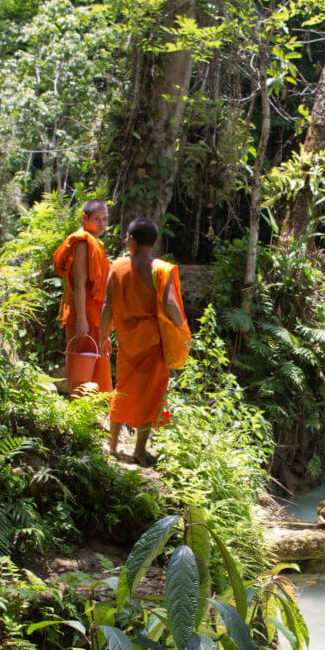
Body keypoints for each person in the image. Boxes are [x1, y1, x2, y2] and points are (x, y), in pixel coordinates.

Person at [100, 217, 187, 466]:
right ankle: (139, 450)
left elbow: (107, 306)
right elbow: (170, 303)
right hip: (153, 343)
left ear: (131, 240)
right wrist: (182, 329)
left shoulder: (116, 267)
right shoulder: (161, 269)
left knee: (122, 389)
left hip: (127, 342)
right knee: (151, 395)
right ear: (154, 241)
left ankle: (114, 445)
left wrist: (104, 336)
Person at [53, 198, 113, 397]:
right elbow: (79, 283)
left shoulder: (93, 242)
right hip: (84, 313)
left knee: (98, 364)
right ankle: (80, 417)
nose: (102, 224)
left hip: (94, 313)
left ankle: (93, 416)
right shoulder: (82, 243)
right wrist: (81, 320)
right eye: (97, 219)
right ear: (84, 218)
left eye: (105, 219)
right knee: (83, 367)